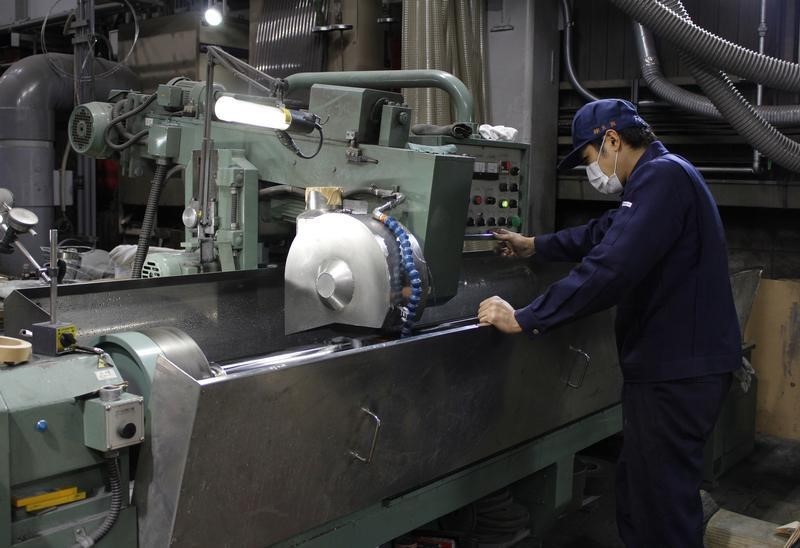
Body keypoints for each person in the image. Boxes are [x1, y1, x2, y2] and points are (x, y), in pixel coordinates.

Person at [477, 98, 741, 547]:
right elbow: (604, 234)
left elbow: (611, 266)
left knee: (661, 506)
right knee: (642, 497)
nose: (592, 172)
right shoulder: (664, 177)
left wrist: (526, 317)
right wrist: (535, 245)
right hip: (676, 370)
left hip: (677, 374)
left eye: (589, 159)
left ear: (613, 140)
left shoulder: (661, 177)